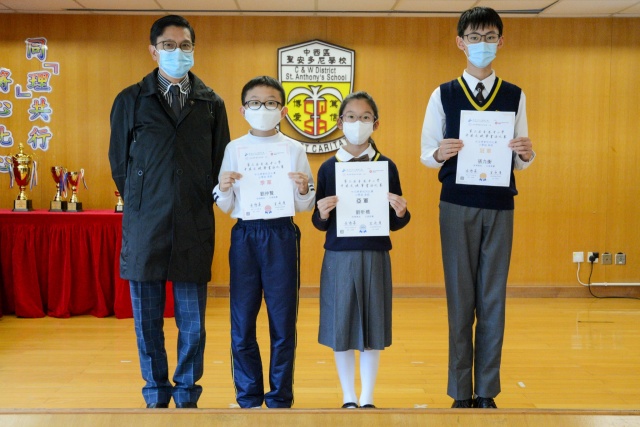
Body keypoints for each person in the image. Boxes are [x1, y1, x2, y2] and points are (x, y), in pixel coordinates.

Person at [108, 15, 230, 409]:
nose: (178, 51)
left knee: (192, 323)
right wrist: (145, 197)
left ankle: (187, 392)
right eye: (169, 45)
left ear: (193, 49)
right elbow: (119, 162)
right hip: (145, 224)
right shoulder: (131, 99)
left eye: (185, 45)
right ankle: (156, 392)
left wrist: (194, 194)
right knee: (147, 321)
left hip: (194, 222)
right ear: (154, 50)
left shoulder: (211, 104)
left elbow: (220, 163)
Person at [420, 7, 536, 409]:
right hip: (456, 203)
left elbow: (521, 156)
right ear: (460, 42)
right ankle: (460, 391)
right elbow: (426, 152)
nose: (481, 44)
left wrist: (527, 153)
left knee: (492, 299)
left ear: (500, 42)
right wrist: (441, 152)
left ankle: (486, 390)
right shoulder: (443, 93)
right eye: (474, 37)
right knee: (460, 298)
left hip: (500, 204)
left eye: (489, 37)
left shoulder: (515, 94)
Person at [212, 76, 315, 408]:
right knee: (242, 320)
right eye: (255, 103)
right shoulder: (234, 148)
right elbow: (226, 206)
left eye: (271, 103)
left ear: (282, 111)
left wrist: (304, 189)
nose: (263, 108)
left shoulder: (294, 149)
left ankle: (280, 397)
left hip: (281, 234)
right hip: (246, 234)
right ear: (243, 110)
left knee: (283, 322)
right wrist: (223, 187)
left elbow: (304, 205)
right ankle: (249, 396)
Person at [312, 91, 410, 409]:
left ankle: (367, 396)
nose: (358, 122)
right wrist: (322, 212)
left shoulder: (386, 166)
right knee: (340, 324)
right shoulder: (328, 168)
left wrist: (401, 211)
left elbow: (396, 221)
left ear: (375, 124)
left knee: (373, 323)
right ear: (340, 122)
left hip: (375, 253)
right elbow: (318, 222)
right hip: (339, 254)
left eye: (365, 117)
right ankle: (348, 396)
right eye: (351, 117)